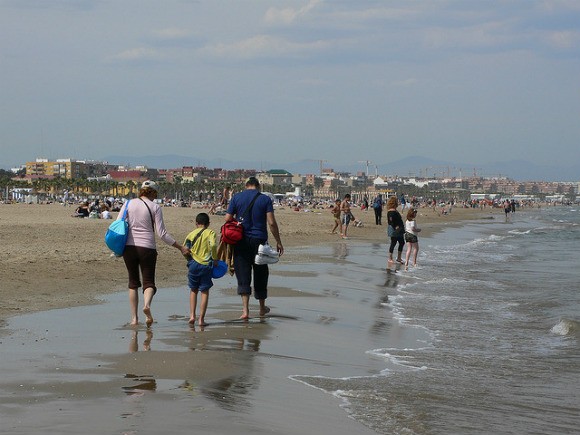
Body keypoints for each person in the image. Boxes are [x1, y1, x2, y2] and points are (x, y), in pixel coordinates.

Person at [118, 180, 190, 326]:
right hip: (147, 248)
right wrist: (180, 247)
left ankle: (134, 319)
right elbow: (162, 234)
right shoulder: (155, 207)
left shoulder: (128, 203)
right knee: (149, 282)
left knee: (132, 283)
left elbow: (118, 223)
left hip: (129, 248)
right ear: (154, 192)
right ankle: (147, 306)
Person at [224, 177, 283, 320]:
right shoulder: (265, 199)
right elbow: (271, 222)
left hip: (241, 240)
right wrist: (278, 241)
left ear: (246, 185)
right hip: (260, 241)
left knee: (243, 273)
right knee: (261, 273)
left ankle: (245, 310)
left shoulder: (237, 197)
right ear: (258, 186)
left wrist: (238, 223)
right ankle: (262, 308)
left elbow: (227, 219)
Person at [183, 212, 218, 327]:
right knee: (204, 291)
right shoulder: (211, 232)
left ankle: (192, 316)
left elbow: (185, 249)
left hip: (193, 264)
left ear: (196, 223)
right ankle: (201, 320)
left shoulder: (191, 234)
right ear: (208, 224)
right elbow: (213, 245)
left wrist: (189, 260)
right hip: (205, 265)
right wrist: (215, 258)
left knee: (193, 290)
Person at [386, 195, 405, 265]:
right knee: (393, 243)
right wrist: (395, 227)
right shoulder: (391, 212)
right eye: (396, 201)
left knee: (402, 242)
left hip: (399, 229)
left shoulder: (394, 210)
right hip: (395, 230)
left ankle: (398, 257)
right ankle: (390, 258)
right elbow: (390, 221)